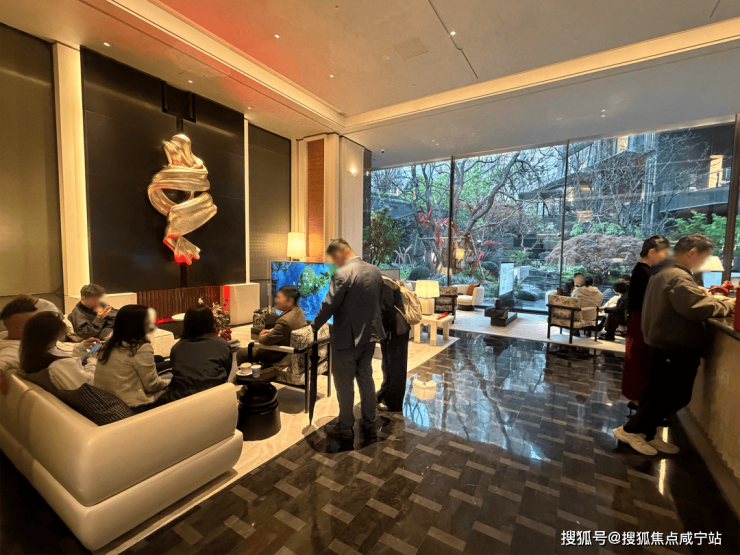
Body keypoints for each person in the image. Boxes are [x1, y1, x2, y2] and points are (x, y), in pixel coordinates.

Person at [613, 234, 735, 455]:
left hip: (663, 340)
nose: (704, 263)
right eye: (704, 257)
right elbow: (695, 307)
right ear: (692, 252)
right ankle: (630, 430)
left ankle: (647, 434)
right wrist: (728, 306)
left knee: (655, 393)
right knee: (674, 396)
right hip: (673, 343)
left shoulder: (664, 271)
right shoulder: (677, 276)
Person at [311, 238, 385, 440]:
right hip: (369, 336)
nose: (334, 263)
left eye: (334, 258)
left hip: (346, 339)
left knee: (344, 384)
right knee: (366, 377)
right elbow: (377, 302)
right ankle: (369, 421)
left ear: (339, 253)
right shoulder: (375, 271)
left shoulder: (342, 274)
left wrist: (314, 325)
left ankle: (345, 426)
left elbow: (329, 305)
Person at [94, 304, 171, 411]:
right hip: (131, 404)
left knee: (162, 362)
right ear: (138, 324)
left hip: (106, 399)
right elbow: (152, 385)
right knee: (174, 376)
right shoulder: (140, 347)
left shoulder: (109, 343)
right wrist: (169, 381)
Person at [621, 234, 670, 401]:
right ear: (651, 252)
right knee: (638, 360)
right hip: (640, 319)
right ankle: (637, 397)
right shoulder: (643, 272)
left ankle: (638, 397)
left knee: (639, 359)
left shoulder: (645, 271)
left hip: (641, 318)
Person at [19, 312, 99, 391]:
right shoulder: (59, 365)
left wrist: (81, 348)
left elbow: (69, 369)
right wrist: (92, 361)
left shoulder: (31, 358)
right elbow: (90, 383)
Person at [168, 304, 231, 401]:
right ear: (211, 322)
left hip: (182, 401)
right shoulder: (222, 345)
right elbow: (226, 372)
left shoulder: (176, 349)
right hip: (216, 399)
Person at [236, 286, 307, 367]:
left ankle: (246, 374)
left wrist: (261, 337)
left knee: (241, 353)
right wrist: (271, 331)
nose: (276, 300)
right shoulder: (299, 311)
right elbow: (285, 330)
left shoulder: (284, 321)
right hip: (289, 349)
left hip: (277, 354)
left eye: (279, 297)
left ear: (290, 301)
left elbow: (265, 341)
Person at [376, 277, 411, 412]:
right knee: (392, 365)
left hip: (395, 329)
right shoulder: (388, 282)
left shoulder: (384, 285)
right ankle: (384, 395)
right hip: (399, 328)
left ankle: (392, 403)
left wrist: (383, 331)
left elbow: (387, 310)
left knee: (393, 366)